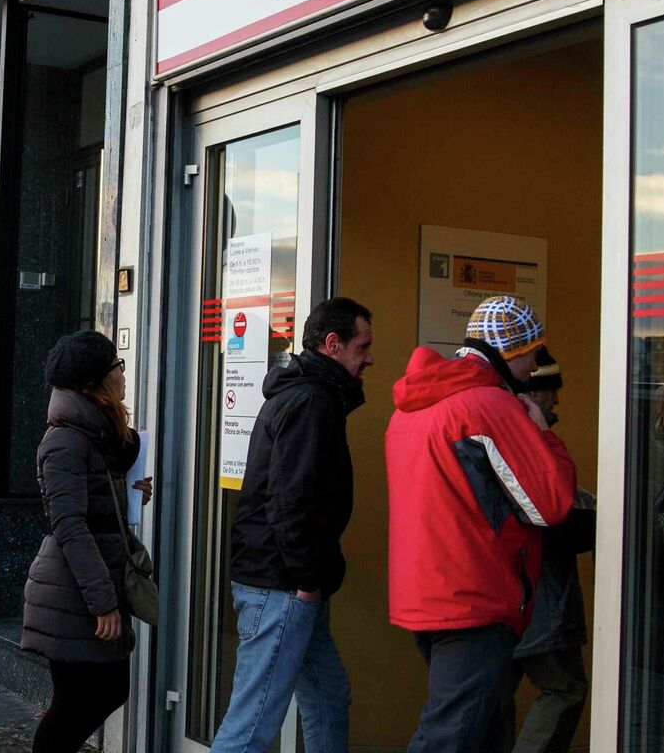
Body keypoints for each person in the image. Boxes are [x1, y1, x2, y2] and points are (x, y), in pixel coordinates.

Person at [384, 295, 578, 753]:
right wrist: (543, 434)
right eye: (532, 354)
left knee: (483, 729)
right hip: (475, 597)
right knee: (450, 736)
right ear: (509, 351)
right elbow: (551, 504)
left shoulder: (415, 404)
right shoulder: (489, 406)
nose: (535, 368)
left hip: (427, 592)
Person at [212, 297, 373, 753]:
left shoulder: (308, 395)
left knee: (327, 695)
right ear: (333, 344)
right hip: (284, 583)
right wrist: (306, 580)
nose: (370, 359)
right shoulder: (311, 402)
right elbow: (290, 501)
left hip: (292, 580)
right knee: (253, 724)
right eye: (363, 347)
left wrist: (310, 579)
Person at [22, 331, 152, 753]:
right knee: (85, 699)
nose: (122, 373)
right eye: (117, 366)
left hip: (92, 583)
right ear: (93, 384)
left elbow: (96, 502)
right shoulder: (64, 440)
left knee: (96, 694)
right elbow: (70, 526)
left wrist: (131, 492)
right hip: (74, 593)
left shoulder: (98, 434)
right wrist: (103, 603)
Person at [500, 350, 596, 753]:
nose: (557, 402)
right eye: (552, 392)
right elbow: (553, 515)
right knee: (564, 689)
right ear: (535, 394)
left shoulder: (492, 427)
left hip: (498, 596)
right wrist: (591, 513)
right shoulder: (528, 439)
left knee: (491, 697)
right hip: (539, 596)